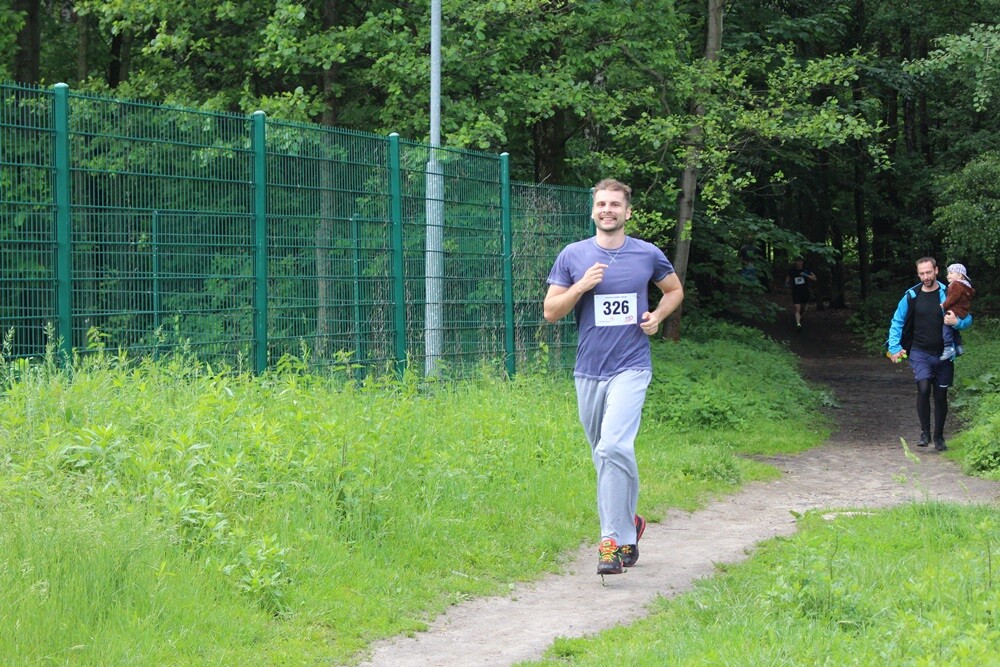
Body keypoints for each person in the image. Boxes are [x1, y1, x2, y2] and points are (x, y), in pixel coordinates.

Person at [543, 178, 684, 576]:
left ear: (627, 212)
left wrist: (657, 316)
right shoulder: (573, 255)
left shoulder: (647, 254)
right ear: (593, 211)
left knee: (613, 446)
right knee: (604, 456)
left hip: (632, 365)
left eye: (615, 204)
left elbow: (674, 291)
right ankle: (631, 526)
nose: (608, 209)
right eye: (601, 203)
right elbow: (551, 311)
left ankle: (611, 543)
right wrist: (583, 285)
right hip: (589, 370)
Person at [886, 257, 973, 451]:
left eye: (928, 272)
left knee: (941, 395)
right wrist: (893, 347)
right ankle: (925, 433)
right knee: (924, 388)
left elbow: (968, 318)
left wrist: (957, 323)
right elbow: (897, 321)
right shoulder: (911, 295)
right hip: (920, 352)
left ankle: (939, 437)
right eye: (922, 273)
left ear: (936, 271)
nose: (925, 277)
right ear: (918, 274)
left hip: (944, 354)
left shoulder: (949, 292)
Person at [940, 263, 975, 362]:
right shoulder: (965, 286)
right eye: (948, 273)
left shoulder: (956, 285)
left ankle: (948, 348)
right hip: (962, 311)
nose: (948, 275)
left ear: (960, 275)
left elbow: (953, 297)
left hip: (955, 310)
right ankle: (958, 347)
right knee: (954, 330)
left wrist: (945, 304)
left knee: (946, 326)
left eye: (951, 273)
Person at [785, 257, 817, 331]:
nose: (799, 263)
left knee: (803, 308)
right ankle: (798, 324)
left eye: (801, 261)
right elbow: (788, 276)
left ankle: (800, 315)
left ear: (803, 262)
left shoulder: (806, 270)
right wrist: (786, 283)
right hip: (796, 292)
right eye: (798, 261)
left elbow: (815, 278)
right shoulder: (792, 270)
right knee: (797, 309)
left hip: (805, 292)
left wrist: (806, 275)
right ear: (795, 262)